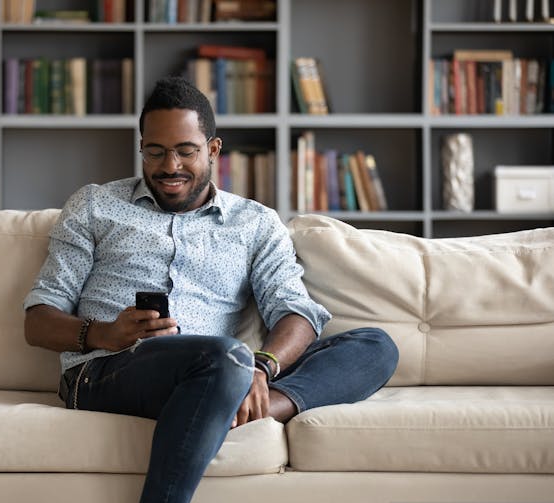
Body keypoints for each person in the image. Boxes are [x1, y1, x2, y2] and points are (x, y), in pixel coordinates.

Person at [23, 76, 399, 503]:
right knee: (222, 356)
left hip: (221, 368)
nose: (170, 166)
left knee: (375, 346)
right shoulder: (95, 205)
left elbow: (295, 310)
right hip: (107, 371)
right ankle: (230, 401)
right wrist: (105, 333)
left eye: (186, 151)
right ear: (141, 147)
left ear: (213, 150)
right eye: (156, 151)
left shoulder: (255, 223)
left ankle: (240, 403)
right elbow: (38, 321)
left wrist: (262, 368)